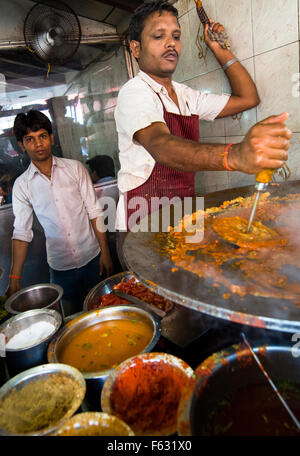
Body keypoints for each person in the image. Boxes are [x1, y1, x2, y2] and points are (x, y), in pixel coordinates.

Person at [114, 0, 291, 237]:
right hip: (142, 222)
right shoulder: (134, 92)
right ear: (136, 49)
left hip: (182, 215)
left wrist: (220, 50)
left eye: (176, 36)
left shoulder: (187, 96)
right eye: (158, 36)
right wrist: (235, 155)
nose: (171, 44)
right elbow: (161, 146)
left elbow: (248, 98)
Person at [6, 110, 114, 314]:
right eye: (30, 139)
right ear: (22, 145)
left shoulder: (75, 169)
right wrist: (14, 278)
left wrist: (106, 253)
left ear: (51, 138)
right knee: (69, 319)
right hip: (60, 268)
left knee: (105, 310)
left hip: (93, 258)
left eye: (42, 136)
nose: (38, 144)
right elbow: (21, 232)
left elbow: (94, 211)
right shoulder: (22, 186)